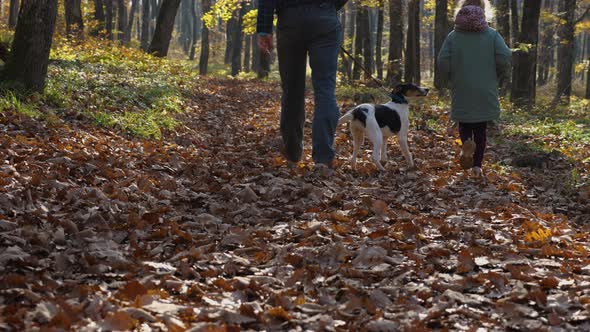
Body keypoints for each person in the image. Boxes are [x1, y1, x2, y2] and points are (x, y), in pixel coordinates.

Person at [257, 0, 349, 171]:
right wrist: (327, 7)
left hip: (290, 19)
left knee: (292, 90)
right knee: (325, 90)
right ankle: (322, 158)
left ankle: (292, 154)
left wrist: (264, 29)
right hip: (324, 19)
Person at [437, 0, 512, 177]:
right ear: (484, 11)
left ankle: (466, 147)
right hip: (485, 88)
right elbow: (504, 57)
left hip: (461, 87)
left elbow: (442, 61)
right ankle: (477, 166)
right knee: (480, 128)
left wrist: (449, 77)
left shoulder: (453, 36)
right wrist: (498, 75)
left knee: (464, 123)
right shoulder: (492, 35)